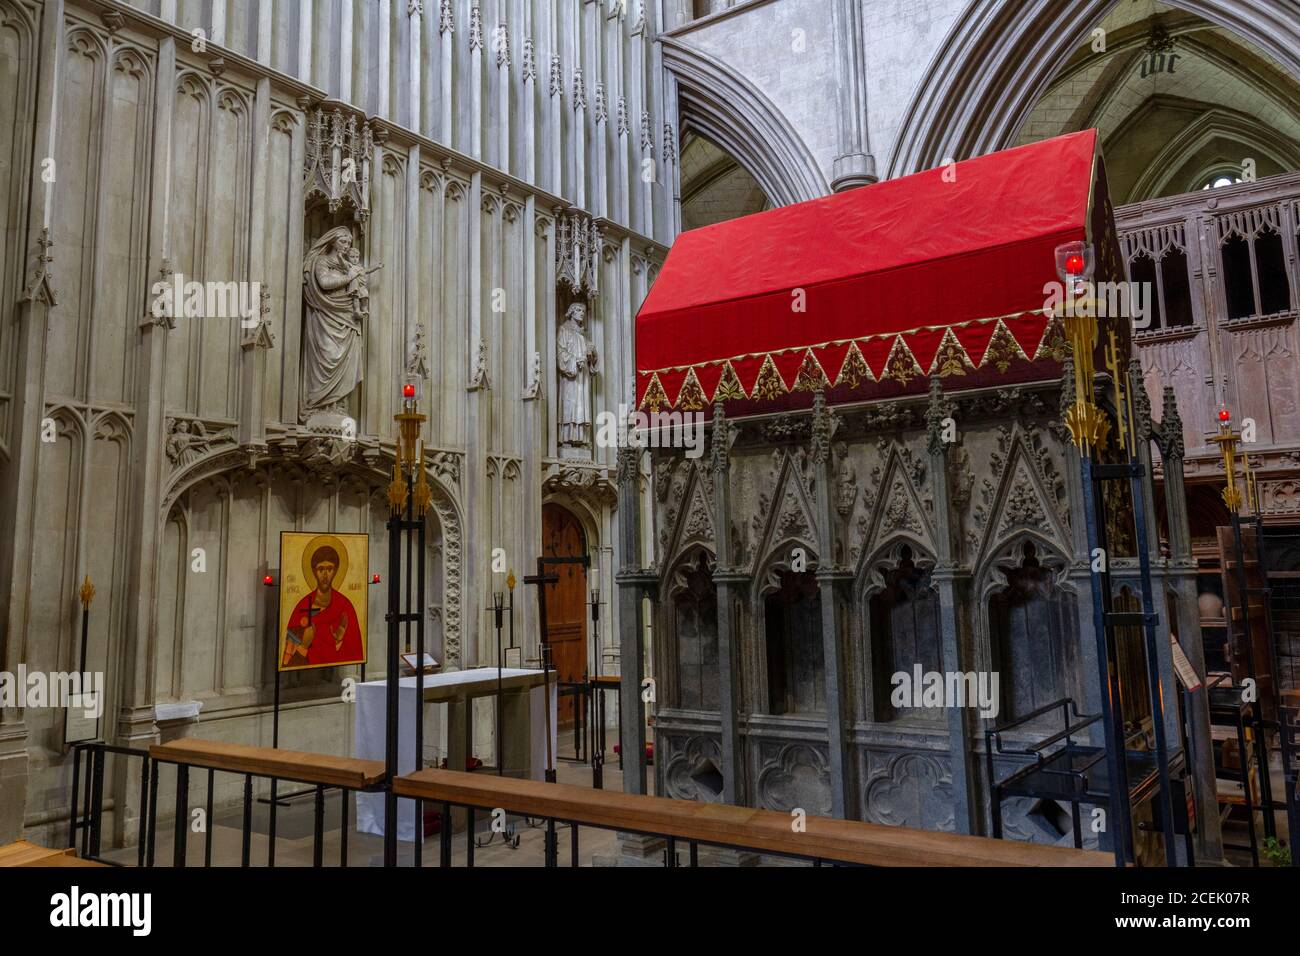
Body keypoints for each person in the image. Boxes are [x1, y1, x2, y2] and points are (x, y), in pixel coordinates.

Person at [282, 545, 364, 667]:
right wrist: (304, 646)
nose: (325, 575)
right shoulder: (302, 606)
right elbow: (286, 661)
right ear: (314, 571)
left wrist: (339, 642)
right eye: (321, 569)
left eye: (329, 569)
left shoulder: (345, 606)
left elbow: (354, 652)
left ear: (335, 571)